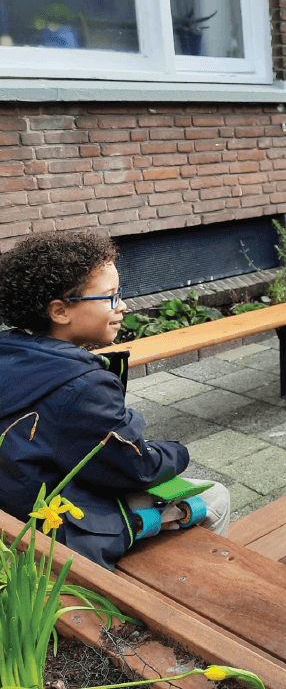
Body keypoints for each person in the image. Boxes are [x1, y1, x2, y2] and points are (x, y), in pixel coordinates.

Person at [0, 230, 230, 571]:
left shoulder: (11, 352)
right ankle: (197, 587)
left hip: (21, 507)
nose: (122, 306)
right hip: (58, 538)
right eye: (109, 297)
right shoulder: (82, 385)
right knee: (216, 497)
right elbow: (137, 468)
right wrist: (178, 451)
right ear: (60, 311)